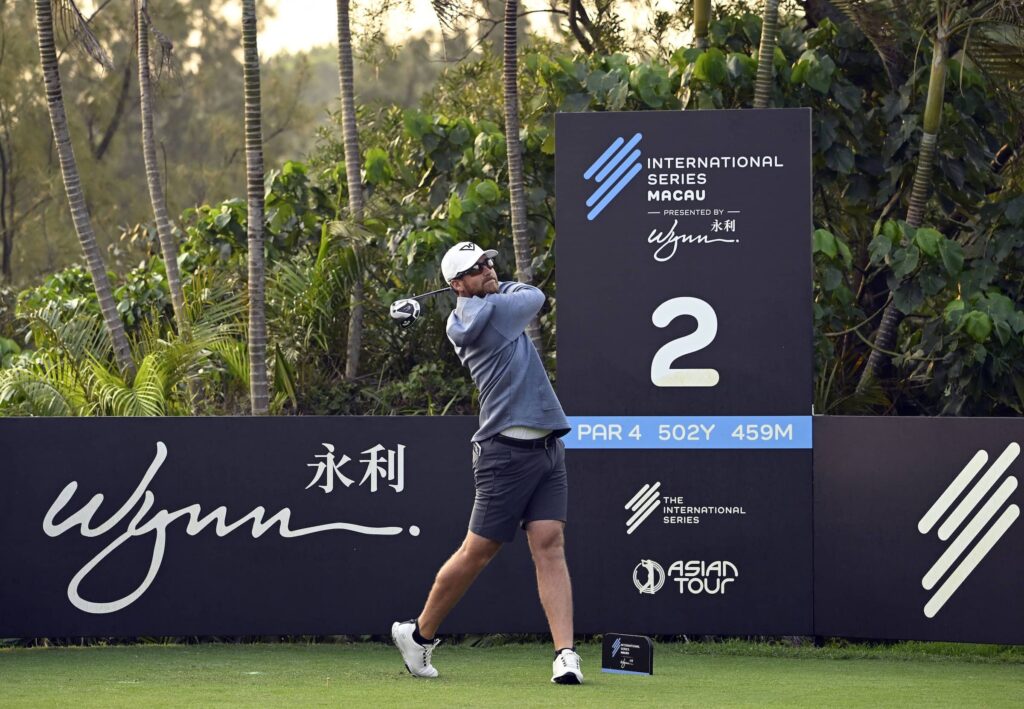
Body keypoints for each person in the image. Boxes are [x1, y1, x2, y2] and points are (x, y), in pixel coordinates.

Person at [391, 241, 582, 685]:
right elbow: (534, 296)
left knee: (550, 543)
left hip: (546, 448)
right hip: (506, 453)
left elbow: (516, 294)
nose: (488, 269)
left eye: (488, 262)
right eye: (476, 269)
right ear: (457, 284)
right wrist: (488, 293)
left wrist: (481, 289)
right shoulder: (489, 316)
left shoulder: (481, 304)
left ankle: (565, 655)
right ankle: (418, 636)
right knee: (477, 552)